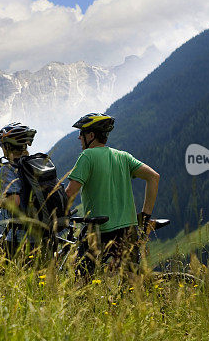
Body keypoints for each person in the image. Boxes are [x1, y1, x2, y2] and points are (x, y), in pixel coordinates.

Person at [64, 112, 160, 272]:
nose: (79, 137)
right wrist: (145, 215)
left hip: (98, 230)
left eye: (81, 133)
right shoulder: (123, 156)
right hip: (128, 230)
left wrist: (56, 216)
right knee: (131, 283)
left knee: (82, 282)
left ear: (91, 135)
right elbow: (154, 177)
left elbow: (70, 193)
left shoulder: (87, 156)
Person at [0, 122, 38, 259]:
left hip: (21, 235)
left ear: (7, 146)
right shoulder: (36, 163)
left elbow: (14, 202)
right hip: (45, 231)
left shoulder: (7, 168)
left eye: (2, 144)